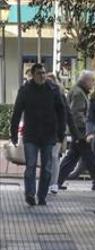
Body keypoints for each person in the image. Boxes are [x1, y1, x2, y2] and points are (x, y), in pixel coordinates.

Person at [9, 63, 67, 206]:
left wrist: (61, 132)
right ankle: (30, 194)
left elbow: (62, 112)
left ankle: (42, 196)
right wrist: (14, 133)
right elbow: (17, 112)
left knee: (46, 168)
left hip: (48, 134)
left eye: (44, 73)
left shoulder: (53, 90)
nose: (42, 76)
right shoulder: (25, 90)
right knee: (31, 166)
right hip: (31, 134)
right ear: (33, 75)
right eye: (39, 73)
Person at [58, 70, 95, 190]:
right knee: (90, 158)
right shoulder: (79, 93)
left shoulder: (78, 91)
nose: (93, 84)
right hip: (81, 132)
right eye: (92, 81)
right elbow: (76, 114)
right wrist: (85, 130)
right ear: (86, 80)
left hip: (78, 132)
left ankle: (57, 181)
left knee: (72, 157)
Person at [45, 73, 69, 194]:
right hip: (44, 133)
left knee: (54, 156)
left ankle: (53, 183)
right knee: (47, 158)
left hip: (57, 132)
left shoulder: (60, 96)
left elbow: (65, 114)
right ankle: (48, 182)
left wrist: (62, 131)